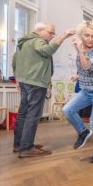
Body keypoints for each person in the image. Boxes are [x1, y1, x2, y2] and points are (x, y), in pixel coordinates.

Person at [12, 22, 75, 158]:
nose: (52, 36)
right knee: (32, 115)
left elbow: (14, 60)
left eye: (54, 33)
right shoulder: (38, 40)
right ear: (40, 30)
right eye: (50, 32)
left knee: (23, 113)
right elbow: (47, 51)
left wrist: (18, 79)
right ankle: (27, 148)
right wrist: (64, 36)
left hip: (25, 81)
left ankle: (19, 145)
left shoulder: (23, 42)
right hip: (35, 82)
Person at [62, 21, 93, 163]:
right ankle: (83, 132)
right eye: (87, 35)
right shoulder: (82, 48)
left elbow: (88, 67)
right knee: (67, 110)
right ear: (81, 35)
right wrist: (78, 75)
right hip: (86, 90)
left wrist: (80, 51)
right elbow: (85, 70)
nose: (90, 39)